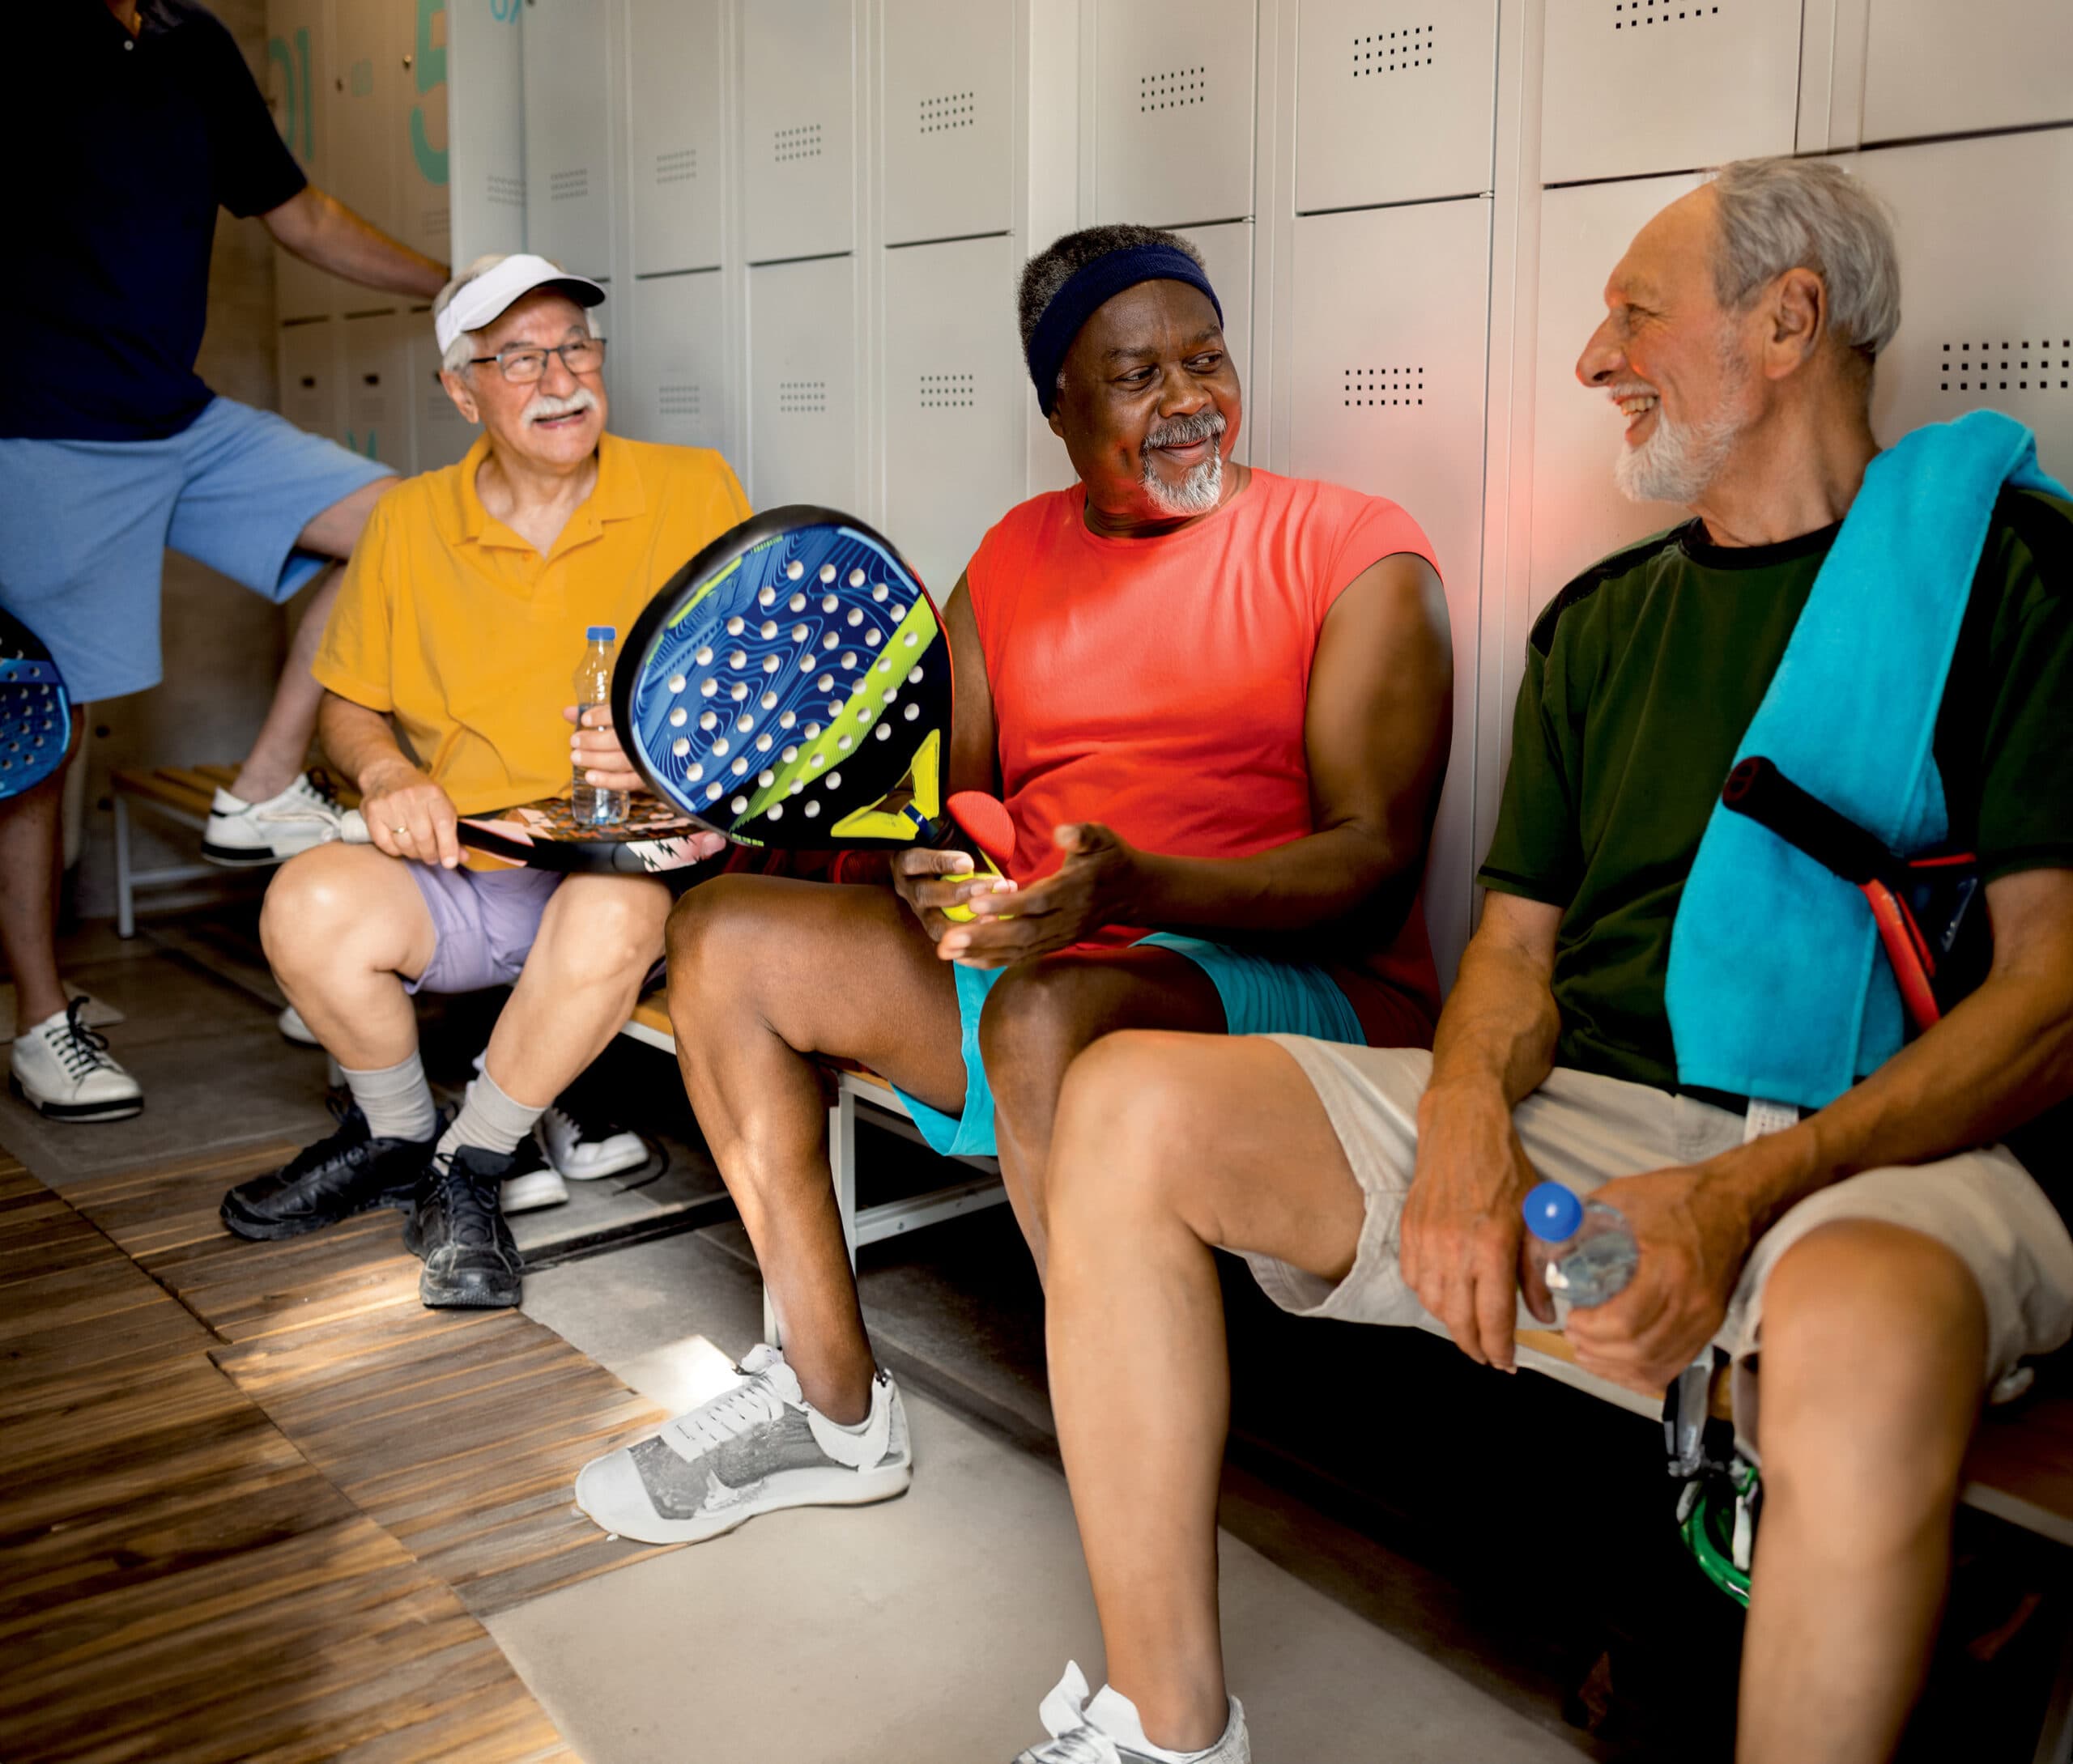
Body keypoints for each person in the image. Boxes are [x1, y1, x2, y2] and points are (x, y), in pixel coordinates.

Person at [1011, 158, 2073, 1764]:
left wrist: (1732, 1199)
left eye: (1633, 313)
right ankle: (1169, 1734)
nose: (1589, 359)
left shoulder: (2007, 578)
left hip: (1891, 1148)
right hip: (1592, 1123)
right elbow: (1509, 958)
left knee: (1847, 1321)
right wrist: (1457, 1132)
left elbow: (2047, 1000)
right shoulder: (1597, 622)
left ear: (1787, 323)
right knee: (1120, 1106)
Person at [573, 224, 1455, 1564]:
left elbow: (1373, 857)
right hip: (1047, 953)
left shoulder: (1355, 548)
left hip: (1283, 978)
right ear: (1058, 408)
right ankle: (828, 1402)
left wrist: (1134, 885)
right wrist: (925, 871)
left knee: (1048, 1012)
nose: (1186, 403)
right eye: (1137, 376)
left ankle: (1131, 1484)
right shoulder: (1014, 556)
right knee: (727, 936)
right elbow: (942, 795)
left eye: (1206, 361)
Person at [216, 254, 744, 1311]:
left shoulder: (693, 487)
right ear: (462, 392)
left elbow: (768, 693)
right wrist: (384, 770)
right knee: (307, 901)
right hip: (473, 866)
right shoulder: (411, 522)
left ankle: (474, 1163)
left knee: (612, 906)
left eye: (574, 349)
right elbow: (347, 700)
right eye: (519, 359)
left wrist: (670, 749)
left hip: (637, 869)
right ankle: (399, 1137)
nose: (560, 379)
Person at [2, 0, 452, 1122]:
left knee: (397, 525)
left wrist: (457, 290)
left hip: (180, 419)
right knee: (38, 736)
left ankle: (258, 790)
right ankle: (39, 1017)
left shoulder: (190, 42)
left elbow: (299, 215)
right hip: (43, 429)